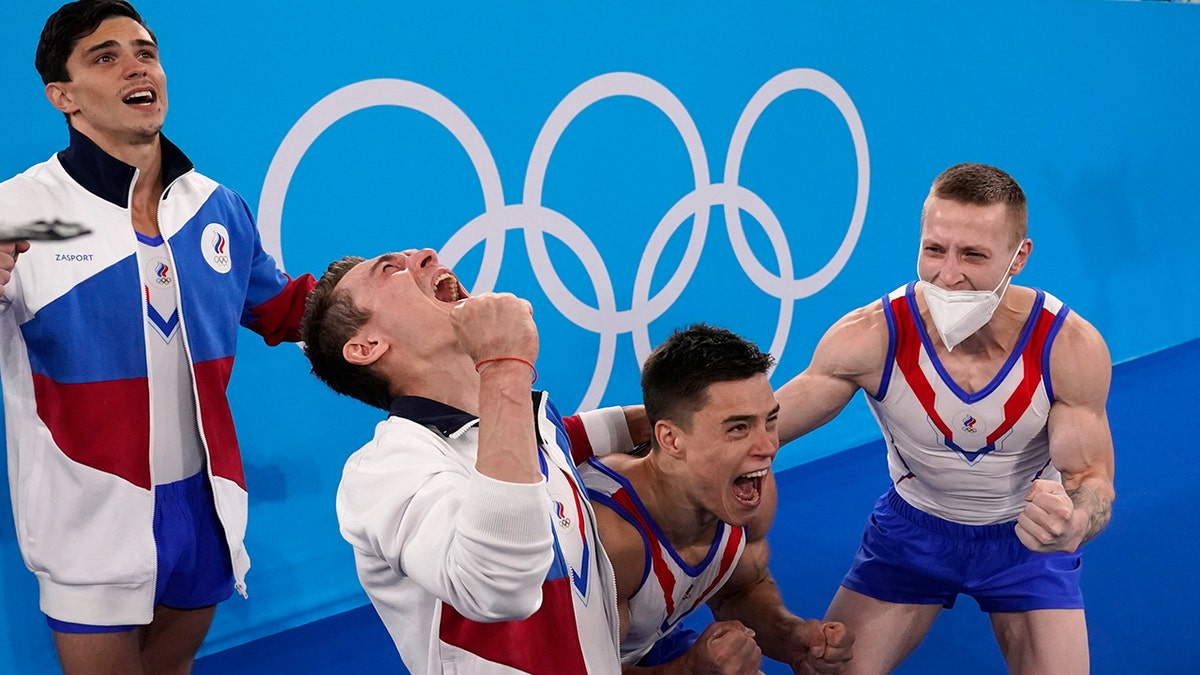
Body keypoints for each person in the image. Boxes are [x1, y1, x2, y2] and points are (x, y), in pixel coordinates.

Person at [0, 1, 315, 672]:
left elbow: (289, 310)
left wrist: (390, 295)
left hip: (204, 508)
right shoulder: (17, 213)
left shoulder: (215, 205)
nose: (135, 65)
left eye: (143, 51)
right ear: (63, 95)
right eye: (104, 56)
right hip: (89, 520)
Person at [774, 163, 1115, 674]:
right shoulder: (870, 338)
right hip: (912, 537)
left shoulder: (1068, 347)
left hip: (1025, 545)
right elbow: (758, 433)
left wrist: (1075, 522)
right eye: (935, 250)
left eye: (973, 255)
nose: (948, 275)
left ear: (1018, 257)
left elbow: (1093, 480)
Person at [300, 249, 646, 674]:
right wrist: (504, 364)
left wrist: (664, 417)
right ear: (367, 346)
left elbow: (562, 435)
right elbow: (500, 585)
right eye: (390, 269)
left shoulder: (524, 425)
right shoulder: (382, 470)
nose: (426, 254)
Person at [580, 323, 853, 675]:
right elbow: (556, 667)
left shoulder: (746, 487)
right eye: (738, 428)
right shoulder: (608, 536)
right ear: (672, 439)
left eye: (769, 421)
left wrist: (791, 636)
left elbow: (739, 589)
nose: (768, 447)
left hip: (646, 648)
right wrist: (688, 671)